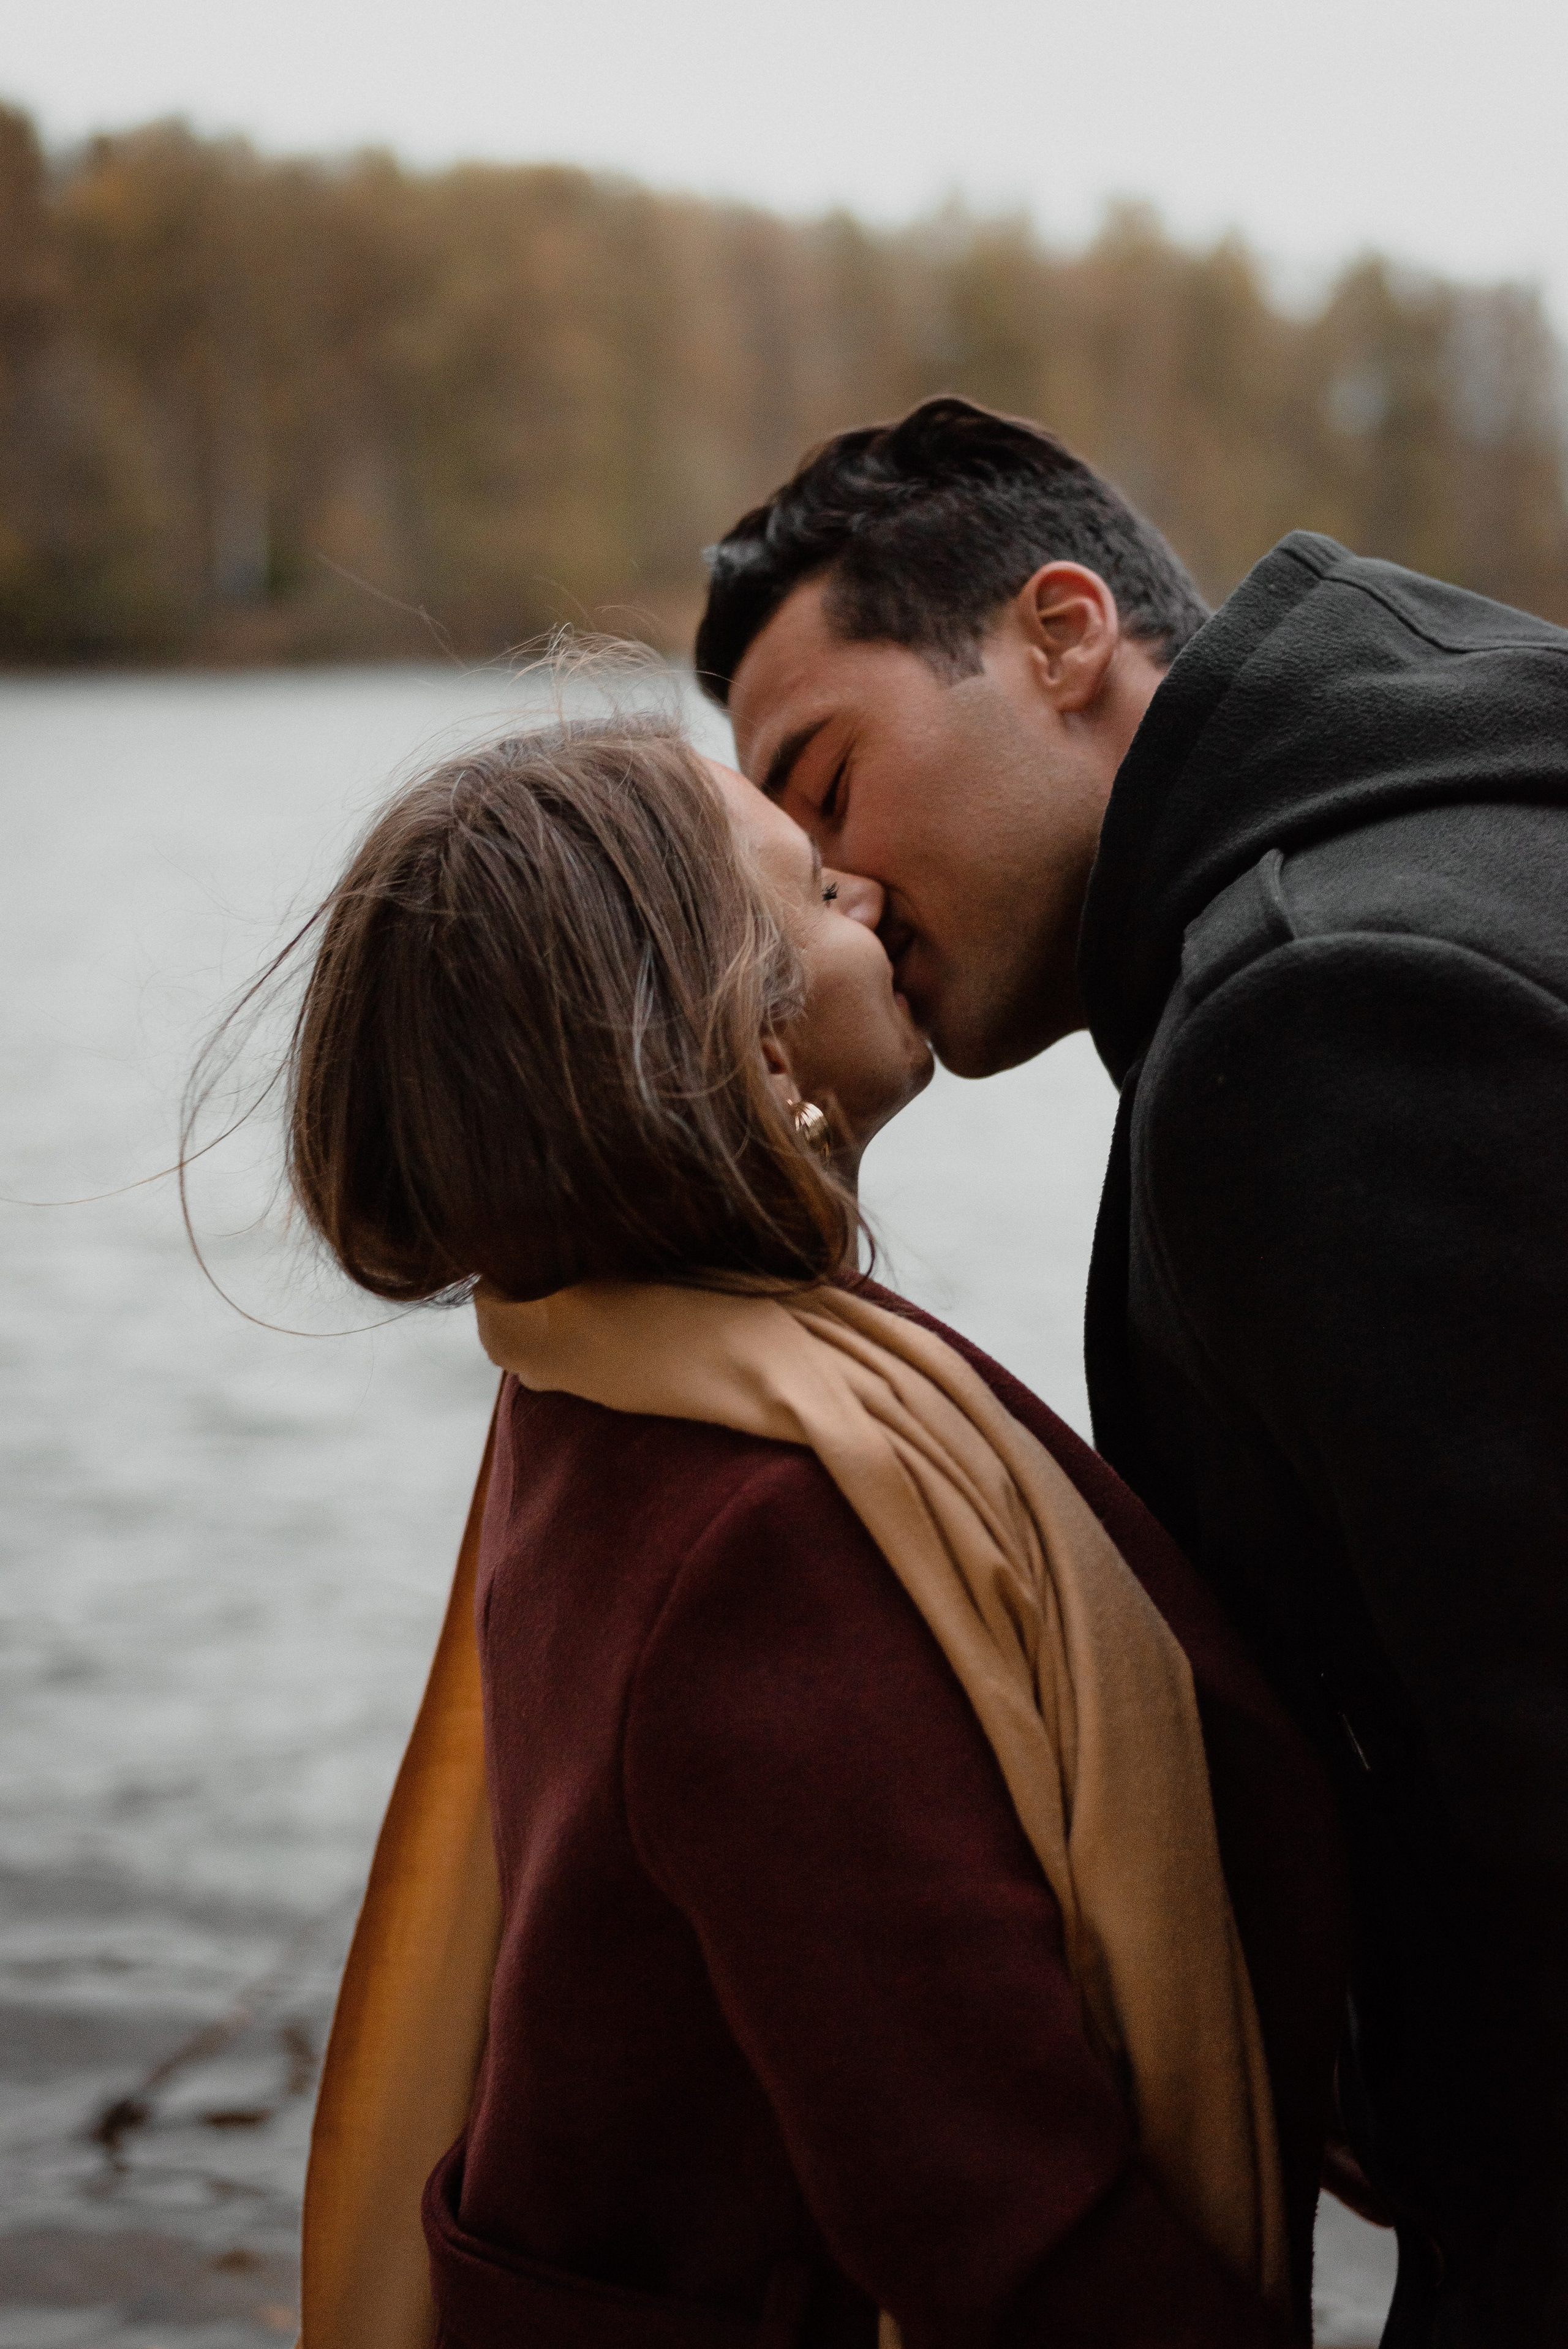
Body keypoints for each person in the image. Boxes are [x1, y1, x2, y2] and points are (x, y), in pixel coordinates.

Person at [280, 717, 1345, 2348]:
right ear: (742, 1039)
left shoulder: (593, 1384)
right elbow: (1007, 2227)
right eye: (818, 891)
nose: (871, 893)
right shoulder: (763, 1535)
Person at [694, 394, 1568, 2346]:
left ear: (1062, 634)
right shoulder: (1473, 796)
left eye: (826, 785)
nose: (834, 895)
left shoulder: (1326, 1012)